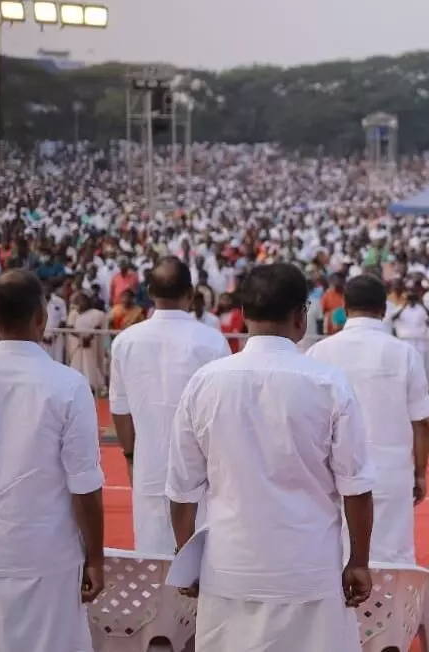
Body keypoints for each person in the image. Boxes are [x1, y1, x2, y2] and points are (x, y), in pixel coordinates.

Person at [166, 264, 376, 652]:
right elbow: (357, 488)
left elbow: (181, 491)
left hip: (230, 567)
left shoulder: (205, 383)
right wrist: (359, 561)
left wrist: (186, 556)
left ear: (244, 314)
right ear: (301, 316)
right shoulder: (328, 384)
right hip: (307, 568)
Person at [0, 269, 106, 651]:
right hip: (47, 549)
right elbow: (84, 487)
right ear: (43, 315)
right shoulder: (67, 385)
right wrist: (96, 559)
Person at [307, 276, 429, 565]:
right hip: (389, 472)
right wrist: (421, 474)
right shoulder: (404, 353)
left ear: (345, 306)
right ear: (384, 308)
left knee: (335, 556)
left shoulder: (319, 352)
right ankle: (391, 611)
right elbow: (421, 422)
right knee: (392, 557)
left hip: (332, 473)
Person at [108, 257, 231, 554]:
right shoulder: (212, 342)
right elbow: (223, 412)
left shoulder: (126, 342)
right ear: (190, 294)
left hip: (149, 464)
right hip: (201, 467)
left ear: (150, 292)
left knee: (152, 555)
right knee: (200, 559)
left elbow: (119, 409)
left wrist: (129, 455)